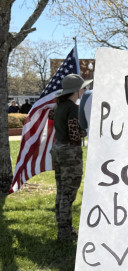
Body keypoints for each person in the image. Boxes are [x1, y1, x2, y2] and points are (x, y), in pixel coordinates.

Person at [50, 73, 92, 241]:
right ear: (77, 90)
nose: (85, 89)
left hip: (58, 148)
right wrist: (88, 130)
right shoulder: (72, 108)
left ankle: (62, 228)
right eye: (84, 87)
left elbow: (52, 118)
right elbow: (75, 134)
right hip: (69, 152)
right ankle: (65, 233)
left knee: (61, 191)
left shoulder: (58, 106)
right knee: (68, 193)